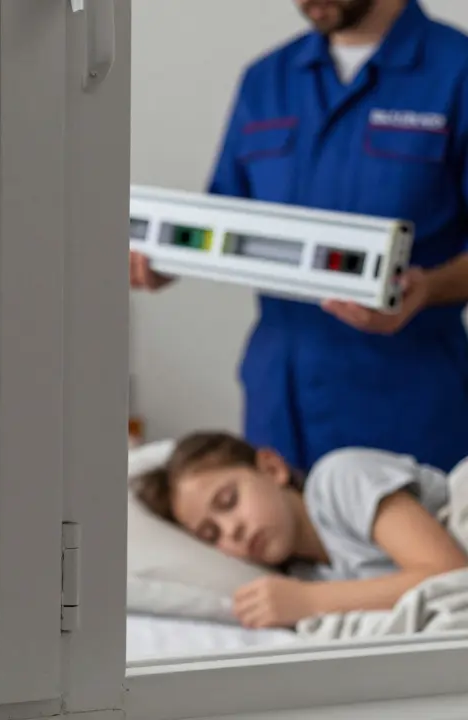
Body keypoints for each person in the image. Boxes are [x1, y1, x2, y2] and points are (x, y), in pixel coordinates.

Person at [130, 0, 468, 474]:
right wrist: (163, 260)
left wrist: (428, 287)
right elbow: (223, 223)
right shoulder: (267, 81)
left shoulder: (457, 72)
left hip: (408, 407)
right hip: (280, 404)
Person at [133, 431, 468, 629]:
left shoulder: (338, 480)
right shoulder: (305, 576)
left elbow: (450, 574)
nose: (230, 531)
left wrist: (309, 602)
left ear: (272, 468)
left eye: (228, 500)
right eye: (211, 535)